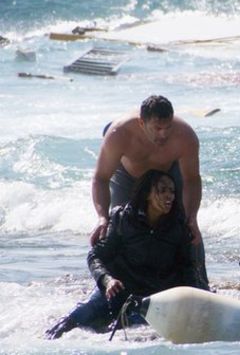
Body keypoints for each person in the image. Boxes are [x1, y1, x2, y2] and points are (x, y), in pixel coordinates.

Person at [45, 170, 200, 339]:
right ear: (147, 194)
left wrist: (197, 299)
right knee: (75, 318)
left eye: (172, 191)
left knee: (127, 328)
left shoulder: (178, 226)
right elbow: (95, 256)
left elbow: (188, 267)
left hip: (153, 296)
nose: (169, 195)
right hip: (117, 289)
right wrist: (107, 280)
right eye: (162, 190)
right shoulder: (123, 218)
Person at [91, 95, 208, 289]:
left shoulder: (185, 136)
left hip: (167, 175)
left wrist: (192, 217)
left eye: (167, 127)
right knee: (116, 227)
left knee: (187, 229)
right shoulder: (119, 133)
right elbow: (101, 178)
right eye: (157, 128)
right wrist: (102, 217)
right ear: (141, 122)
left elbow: (192, 180)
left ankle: (200, 287)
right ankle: (110, 287)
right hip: (128, 177)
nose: (163, 135)